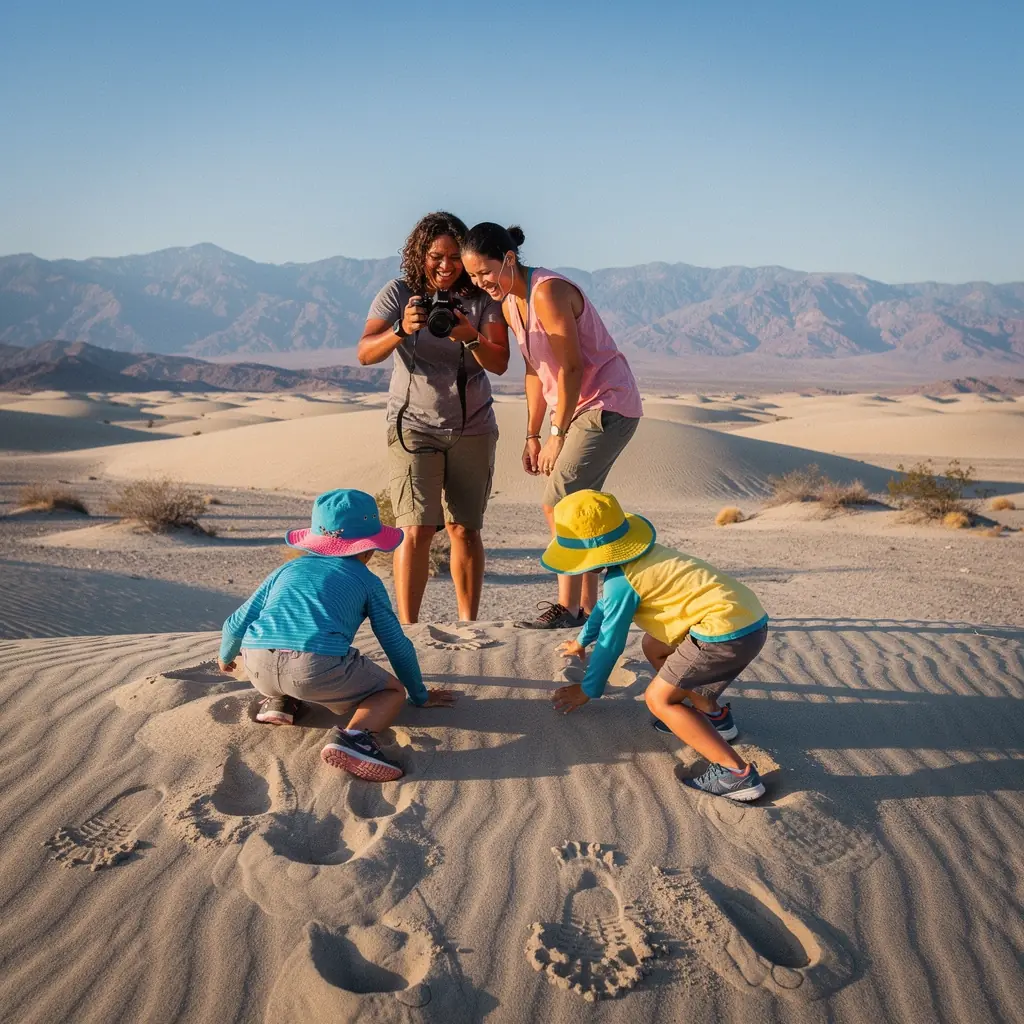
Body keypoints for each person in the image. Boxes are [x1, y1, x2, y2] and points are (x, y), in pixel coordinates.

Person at [461, 223, 642, 630]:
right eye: (472, 277)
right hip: (576, 410)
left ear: (508, 259)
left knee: (558, 501)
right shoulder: (511, 303)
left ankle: (569, 608)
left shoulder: (548, 291)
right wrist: (532, 433)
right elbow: (534, 369)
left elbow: (573, 367)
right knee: (579, 507)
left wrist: (556, 438)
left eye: (485, 272)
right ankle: (594, 610)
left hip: (605, 404)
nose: (480, 283)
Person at [543, 489, 770, 802]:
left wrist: (588, 690)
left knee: (658, 699)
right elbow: (604, 609)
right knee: (655, 644)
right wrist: (582, 640)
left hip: (723, 633)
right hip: (748, 619)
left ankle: (734, 773)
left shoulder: (622, 582)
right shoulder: (643, 559)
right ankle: (713, 715)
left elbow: (611, 643)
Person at [217, 489, 456, 783]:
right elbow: (396, 645)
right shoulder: (367, 581)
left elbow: (235, 623)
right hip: (314, 668)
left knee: (280, 661)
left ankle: (279, 702)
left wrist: (226, 656)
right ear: (369, 549)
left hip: (256, 664)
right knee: (392, 692)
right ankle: (355, 738)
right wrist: (419, 695)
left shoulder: (285, 570)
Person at [358, 212, 510, 624]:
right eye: (435, 256)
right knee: (416, 529)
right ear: (419, 255)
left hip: (473, 425)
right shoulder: (398, 292)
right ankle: (408, 628)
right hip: (413, 427)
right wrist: (400, 330)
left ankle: (469, 625)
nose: (445, 266)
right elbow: (366, 352)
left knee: (465, 529)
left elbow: (499, 362)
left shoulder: (482, 297)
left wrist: (469, 336)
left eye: (454, 257)